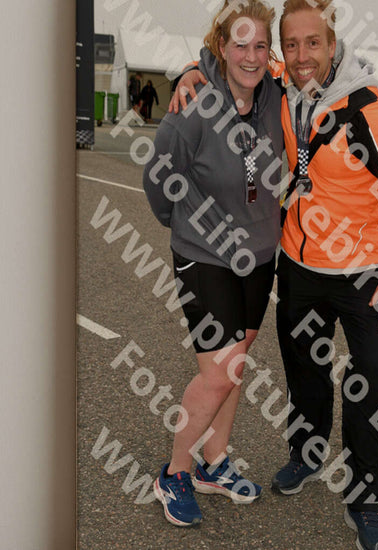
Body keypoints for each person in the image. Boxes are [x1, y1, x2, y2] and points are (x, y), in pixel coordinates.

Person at [171, 1, 378, 548]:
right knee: (305, 371)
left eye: (313, 43)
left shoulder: (367, 109)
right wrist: (191, 70)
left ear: (333, 44)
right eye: (291, 44)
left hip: (362, 273)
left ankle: (366, 500)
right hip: (299, 265)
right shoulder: (284, 83)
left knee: (369, 385)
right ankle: (306, 456)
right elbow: (235, 57)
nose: (301, 54)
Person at [142, 0, 284, 527]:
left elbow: (320, 62)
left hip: (259, 256)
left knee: (234, 368)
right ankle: (174, 473)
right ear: (222, 47)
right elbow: (158, 181)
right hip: (204, 254)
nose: (251, 56)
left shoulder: (277, 97)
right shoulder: (194, 103)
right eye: (240, 44)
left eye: (260, 46)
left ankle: (214, 461)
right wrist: (188, 227)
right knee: (220, 373)